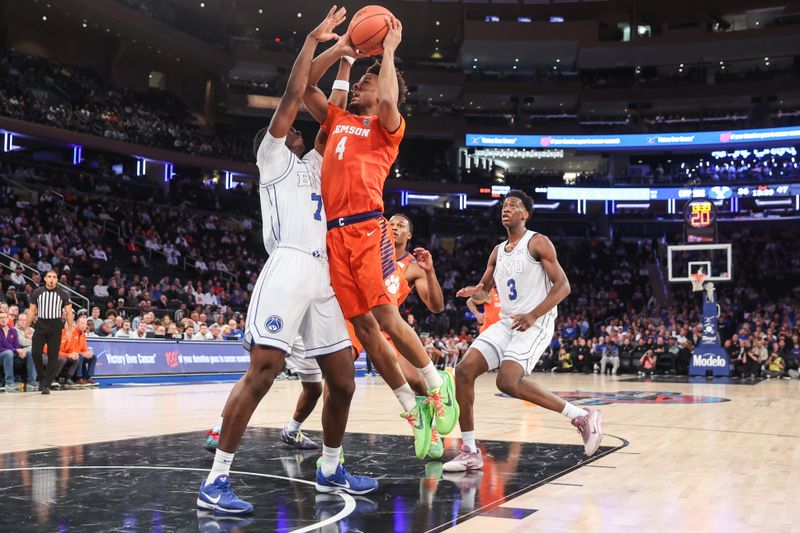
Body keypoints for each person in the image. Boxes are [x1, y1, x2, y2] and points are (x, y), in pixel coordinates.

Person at [197, 8, 377, 518]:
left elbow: (334, 118)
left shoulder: (315, 163)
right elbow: (296, 94)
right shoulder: (273, 158)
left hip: (325, 274)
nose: (299, 130)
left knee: (342, 380)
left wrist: (343, 63)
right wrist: (315, 43)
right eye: (291, 128)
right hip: (290, 265)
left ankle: (330, 467)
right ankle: (216, 480)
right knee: (265, 369)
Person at [304, 13, 456, 460]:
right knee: (365, 329)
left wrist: (387, 52)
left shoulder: (386, 128)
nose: (359, 87)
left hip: (368, 226)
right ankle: (412, 409)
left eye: (366, 82)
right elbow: (307, 88)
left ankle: (434, 383)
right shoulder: (336, 120)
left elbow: (390, 102)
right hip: (334, 236)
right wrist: (340, 51)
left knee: (387, 319)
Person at [444, 190, 603, 472]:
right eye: (504, 206)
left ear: (524, 214)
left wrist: (533, 315)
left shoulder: (537, 242)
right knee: (464, 371)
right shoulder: (497, 252)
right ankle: (470, 451)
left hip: (536, 321)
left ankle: (580, 416)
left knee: (507, 381)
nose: (506, 209)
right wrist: (475, 293)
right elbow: (485, 292)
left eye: (513, 206)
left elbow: (563, 286)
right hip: (507, 322)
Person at [26, 270, 73, 395]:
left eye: (54, 277)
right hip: (40, 324)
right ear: (45, 279)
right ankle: (42, 378)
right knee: (35, 353)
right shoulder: (37, 292)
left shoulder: (63, 294)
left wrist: (69, 329)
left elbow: (69, 312)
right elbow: (31, 311)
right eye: (49, 276)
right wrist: (26, 327)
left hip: (55, 326)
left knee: (53, 357)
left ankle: (46, 384)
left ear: (57, 279)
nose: (52, 279)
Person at [0, 310, 24, 392]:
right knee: (8, 353)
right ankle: (9, 382)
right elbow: (0, 348)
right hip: (2, 356)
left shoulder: (13, 330)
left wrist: (20, 351)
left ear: (8, 319)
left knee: (29, 353)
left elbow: (17, 346)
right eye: (0, 318)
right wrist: (16, 350)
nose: (3, 319)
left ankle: (32, 381)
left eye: (4, 317)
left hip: (11, 355)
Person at [14, 313, 38, 391]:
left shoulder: (31, 329)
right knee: (31, 353)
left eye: (25, 320)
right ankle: (31, 380)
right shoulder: (14, 330)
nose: (24, 322)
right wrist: (32, 340)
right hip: (19, 355)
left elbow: (39, 341)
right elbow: (22, 342)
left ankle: (47, 379)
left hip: (32, 351)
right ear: (17, 321)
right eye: (21, 320)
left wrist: (30, 341)